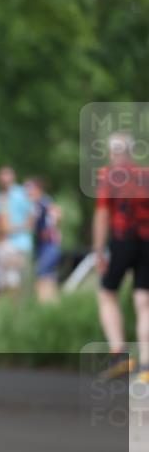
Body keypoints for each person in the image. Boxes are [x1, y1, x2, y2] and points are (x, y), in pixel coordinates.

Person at [93, 132, 149, 382]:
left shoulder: (109, 176)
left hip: (123, 239)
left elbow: (103, 214)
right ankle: (147, 367)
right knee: (144, 302)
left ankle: (119, 354)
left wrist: (98, 250)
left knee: (107, 293)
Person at [0, 166, 33, 296]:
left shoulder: (22, 195)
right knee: (1, 282)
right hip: (0, 243)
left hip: (18, 243)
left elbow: (31, 220)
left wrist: (11, 229)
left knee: (14, 281)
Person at [25, 177, 62, 304]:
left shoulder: (41, 204)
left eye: (31, 190)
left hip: (48, 245)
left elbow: (57, 214)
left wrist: (52, 230)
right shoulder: (46, 202)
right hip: (46, 245)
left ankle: (45, 304)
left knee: (41, 275)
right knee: (49, 276)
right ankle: (53, 305)